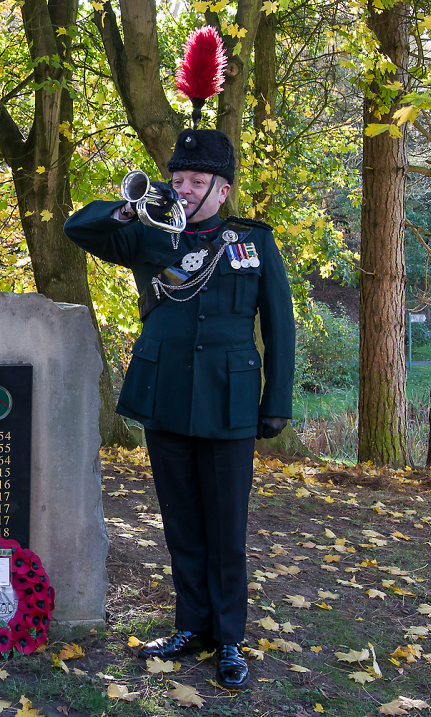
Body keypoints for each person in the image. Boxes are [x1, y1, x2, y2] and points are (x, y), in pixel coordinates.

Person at [63, 128, 295, 690]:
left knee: (226, 527)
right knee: (182, 522)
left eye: (196, 181)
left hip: (229, 401)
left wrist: (277, 401)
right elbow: (77, 227)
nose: (184, 189)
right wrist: (127, 208)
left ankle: (230, 637)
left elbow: (280, 327)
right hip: (167, 398)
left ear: (223, 188)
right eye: (177, 179)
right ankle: (191, 626)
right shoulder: (148, 236)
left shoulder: (254, 242)